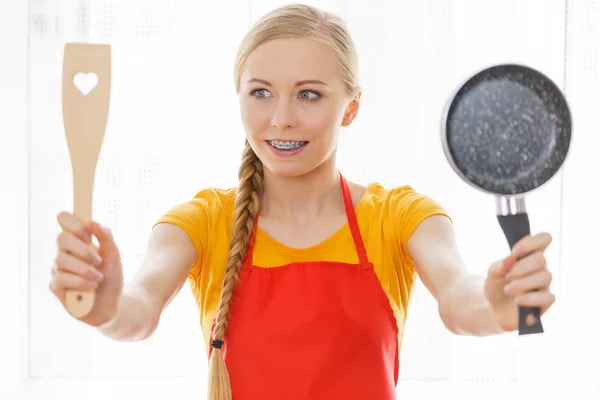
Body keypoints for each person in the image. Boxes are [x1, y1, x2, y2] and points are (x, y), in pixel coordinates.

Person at [49, 3, 556, 400]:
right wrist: (105, 304)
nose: (282, 119)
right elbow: (137, 312)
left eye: (309, 94)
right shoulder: (204, 220)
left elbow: (460, 300)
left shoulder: (399, 216)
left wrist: (498, 309)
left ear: (351, 107)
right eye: (261, 92)